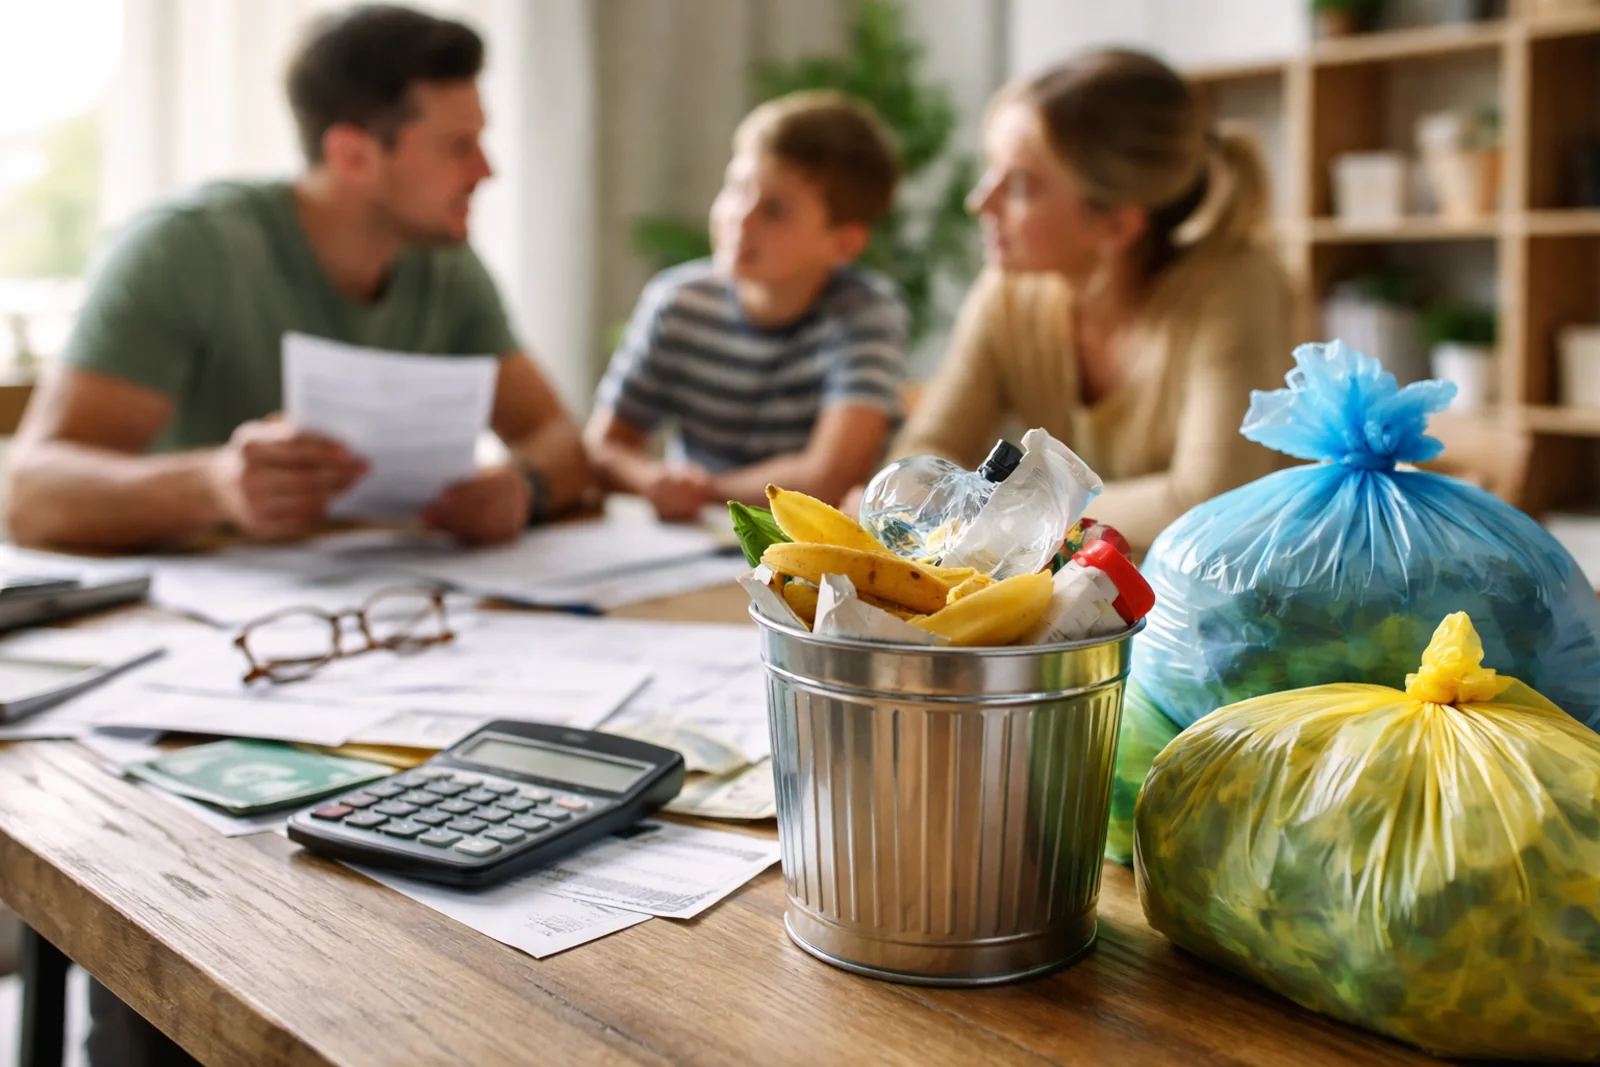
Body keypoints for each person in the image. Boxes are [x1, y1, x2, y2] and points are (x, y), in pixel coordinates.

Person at [5, 4, 593, 554]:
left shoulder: (443, 263)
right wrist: (211, 486)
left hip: (381, 604)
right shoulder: (184, 250)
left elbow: (558, 439)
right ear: (353, 155)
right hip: (192, 620)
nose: (486, 170)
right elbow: (29, 496)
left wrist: (523, 487)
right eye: (458, 147)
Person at [877, 49, 1296, 553]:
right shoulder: (1009, 289)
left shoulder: (1237, 290)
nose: (980, 202)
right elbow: (926, 451)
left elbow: (1204, 503)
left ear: (1117, 224)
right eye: (992, 170)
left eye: (1021, 186)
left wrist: (998, 507)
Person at [584, 90, 908, 521]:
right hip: (694, 543)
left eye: (774, 210)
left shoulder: (867, 316)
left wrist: (703, 491)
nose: (741, 217)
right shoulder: (678, 302)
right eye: (737, 188)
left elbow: (830, 475)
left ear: (844, 243)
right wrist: (652, 481)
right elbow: (604, 444)